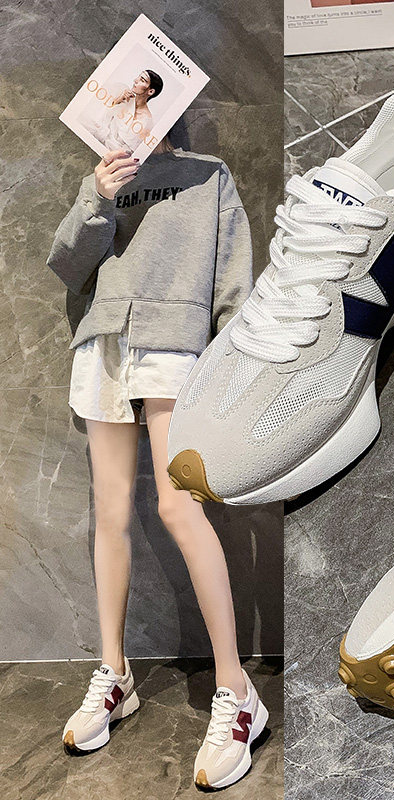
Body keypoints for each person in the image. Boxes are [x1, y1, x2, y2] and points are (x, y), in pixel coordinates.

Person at [46, 134, 268, 790]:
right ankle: (115, 673)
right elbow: (67, 266)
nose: (138, 99)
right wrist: (98, 196)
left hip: (175, 342)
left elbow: (234, 283)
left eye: (148, 90)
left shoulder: (207, 175)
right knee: (110, 510)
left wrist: (233, 370)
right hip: (105, 340)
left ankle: (237, 690)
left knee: (178, 506)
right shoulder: (104, 174)